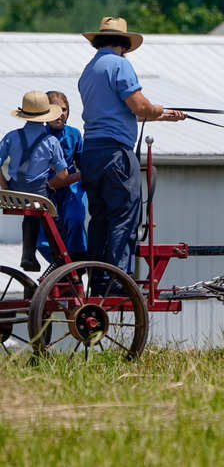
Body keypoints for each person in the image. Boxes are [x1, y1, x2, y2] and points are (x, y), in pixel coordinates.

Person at [78, 17, 184, 291]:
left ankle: (99, 279)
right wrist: (157, 110)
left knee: (100, 216)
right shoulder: (120, 65)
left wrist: (162, 116)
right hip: (116, 154)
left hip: (91, 151)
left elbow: (115, 113)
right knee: (124, 214)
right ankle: (118, 278)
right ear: (124, 44)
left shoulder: (89, 70)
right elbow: (139, 106)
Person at [0, 91, 80, 271]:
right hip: (39, 195)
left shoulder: (11, 136)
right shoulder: (51, 141)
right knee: (53, 216)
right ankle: (59, 257)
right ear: (46, 114)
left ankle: (27, 254)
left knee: (30, 213)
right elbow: (62, 175)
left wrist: (4, 184)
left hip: (13, 193)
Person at [36, 91, 88, 268]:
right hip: (46, 190)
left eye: (64, 109)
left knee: (75, 220)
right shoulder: (37, 136)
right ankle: (59, 265)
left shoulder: (74, 134)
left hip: (71, 188)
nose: (60, 113)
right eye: (54, 109)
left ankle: (77, 263)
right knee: (44, 237)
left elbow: (83, 164)